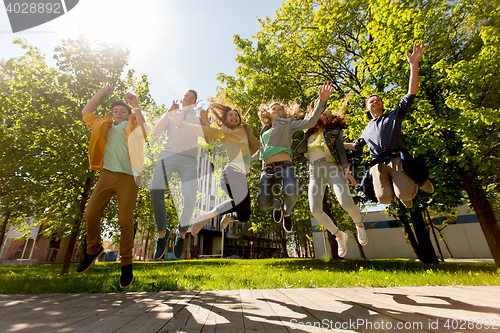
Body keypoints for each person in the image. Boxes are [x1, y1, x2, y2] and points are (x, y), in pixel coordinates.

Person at [344, 42, 433, 209]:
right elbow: (356, 145)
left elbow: (411, 93)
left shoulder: (394, 115)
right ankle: (402, 190)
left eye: (378, 100)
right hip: (378, 164)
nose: (375, 101)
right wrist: (335, 144)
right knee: (384, 199)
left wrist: (414, 65)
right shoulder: (367, 129)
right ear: (367, 107)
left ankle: (417, 181)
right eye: (371, 101)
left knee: (404, 194)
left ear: (382, 105)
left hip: (396, 159)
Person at [77, 85, 147, 289]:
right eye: (115, 110)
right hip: (106, 175)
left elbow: (144, 130)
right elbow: (86, 112)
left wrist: (135, 106)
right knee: (90, 215)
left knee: (125, 220)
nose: (118, 113)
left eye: (122, 111)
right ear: (112, 114)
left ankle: (126, 264)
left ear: (127, 114)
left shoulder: (133, 124)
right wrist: (100, 93)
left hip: (129, 178)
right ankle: (93, 249)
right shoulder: (103, 125)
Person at [167, 103, 261, 235]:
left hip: (241, 177)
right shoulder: (224, 131)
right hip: (231, 173)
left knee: (244, 216)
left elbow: (256, 146)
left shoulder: (243, 130)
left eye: (236, 115)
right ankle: (204, 216)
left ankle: (228, 214)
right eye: (230, 115)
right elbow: (205, 131)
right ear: (225, 119)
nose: (234, 117)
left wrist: (248, 131)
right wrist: (181, 124)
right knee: (242, 203)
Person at [256, 82, 333, 233]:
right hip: (267, 169)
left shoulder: (289, 123)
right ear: (268, 113)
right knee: (264, 203)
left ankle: (287, 210)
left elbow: (310, 122)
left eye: (280, 109)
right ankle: (277, 205)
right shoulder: (264, 131)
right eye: (274, 109)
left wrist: (322, 101)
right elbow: (260, 152)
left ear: (284, 114)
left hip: (285, 166)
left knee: (292, 191)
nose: (277, 110)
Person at [295, 99, 367, 257]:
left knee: (346, 202)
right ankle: (339, 235)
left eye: (328, 116)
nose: (325, 117)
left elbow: (341, 152)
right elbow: (308, 119)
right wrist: (316, 108)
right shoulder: (308, 131)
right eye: (322, 115)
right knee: (315, 210)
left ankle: (359, 224)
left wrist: (346, 171)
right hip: (315, 172)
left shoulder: (335, 132)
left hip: (332, 169)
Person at [150, 89, 210, 260]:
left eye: (192, 97)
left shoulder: (199, 116)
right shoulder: (173, 112)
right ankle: (162, 234)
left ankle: (181, 234)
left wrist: (205, 120)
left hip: (189, 159)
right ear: (182, 99)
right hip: (167, 154)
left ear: (195, 102)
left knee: (191, 196)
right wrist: (168, 112)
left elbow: (209, 139)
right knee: (155, 190)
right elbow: (157, 131)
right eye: (186, 96)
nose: (188, 98)